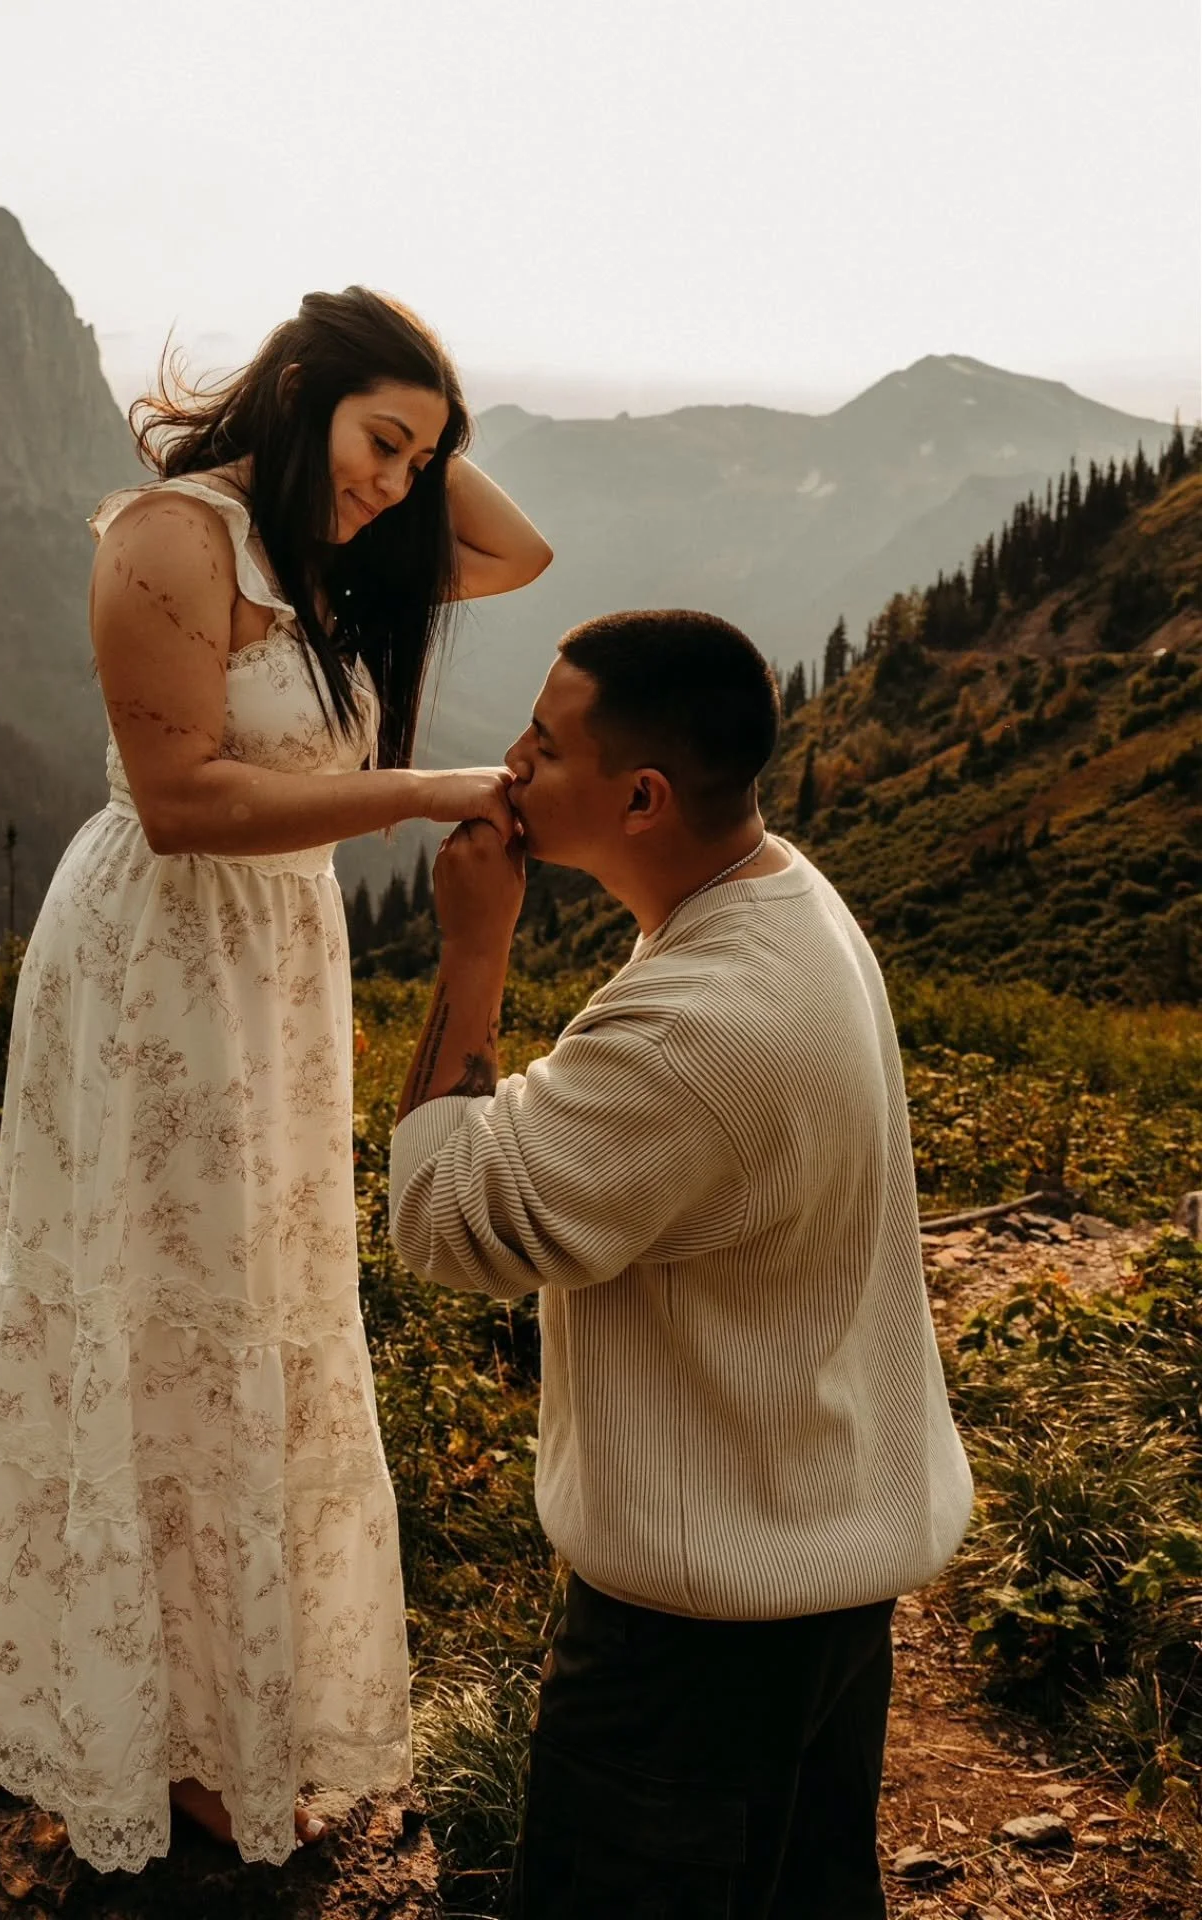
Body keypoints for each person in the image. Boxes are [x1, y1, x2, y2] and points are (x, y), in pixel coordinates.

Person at [0, 286, 552, 1874]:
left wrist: (410, 425)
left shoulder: (326, 548)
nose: (402, 487)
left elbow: (521, 553)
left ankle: (224, 1712)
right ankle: (147, 1724)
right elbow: (179, 801)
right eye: (381, 443)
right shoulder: (171, 536)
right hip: (162, 959)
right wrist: (413, 790)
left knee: (256, 1303)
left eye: (422, 461)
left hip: (271, 966)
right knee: (161, 1310)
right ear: (295, 393)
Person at [388, 610, 973, 1919]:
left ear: (642, 796)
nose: (511, 766)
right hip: (821, 1579)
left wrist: (474, 949)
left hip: (697, 1639)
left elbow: (442, 1217)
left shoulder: (702, 1022)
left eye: (543, 746)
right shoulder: (787, 904)